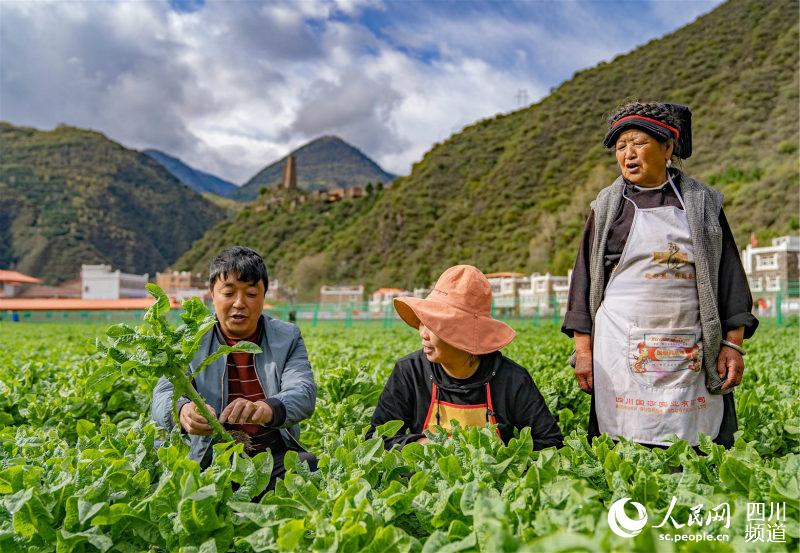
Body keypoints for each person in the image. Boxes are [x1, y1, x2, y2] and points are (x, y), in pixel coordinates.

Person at [562, 101, 758, 448]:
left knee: (697, 445)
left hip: (689, 343)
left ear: (667, 148)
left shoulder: (701, 203)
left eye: (638, 143)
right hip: (620, 342)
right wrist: (583, 350)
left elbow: (729, 276)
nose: (628, 154)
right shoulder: (608, 207)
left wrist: (733, 343)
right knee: (623, 446)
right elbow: (583, 282)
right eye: (620, 147)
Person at [152, 246, 317, 489]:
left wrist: (266, 408)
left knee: (307, 466)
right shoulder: (188, 339)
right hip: (209, 462)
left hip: (270, 460)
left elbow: (303, 392)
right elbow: (162, 395)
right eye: (228, 293)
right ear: (212, 295)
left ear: (264, 296)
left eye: (251, 294)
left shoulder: (287, 337)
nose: (239, 303)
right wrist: (182, 411)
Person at [369, 265, 563, 450]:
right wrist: (426, 446)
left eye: (434, 324)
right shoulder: (409, 372)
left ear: (464, 335)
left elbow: (551, 443)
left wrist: (498, 454)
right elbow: (377, 439)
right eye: (423, 321)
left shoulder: (512, 379)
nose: (423, 333)